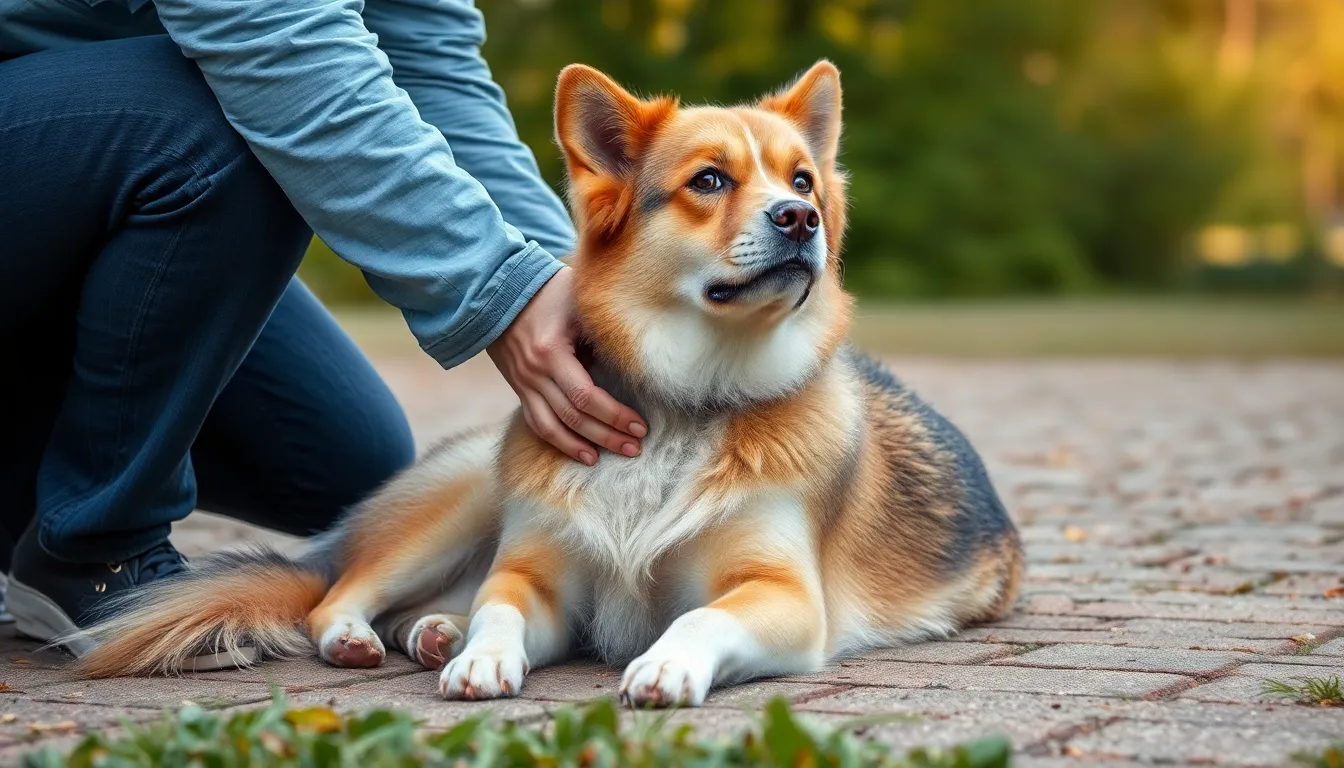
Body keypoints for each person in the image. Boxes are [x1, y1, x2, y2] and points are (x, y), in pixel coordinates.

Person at [0, 0, 646, 658]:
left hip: (80, 167)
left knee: (354, 468)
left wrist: (580, 297)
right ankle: (91, 548)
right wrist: (502, 292)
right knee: (230, 120)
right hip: (81, 125)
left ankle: (22, 501)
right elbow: (269, 37)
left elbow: (428, 63)